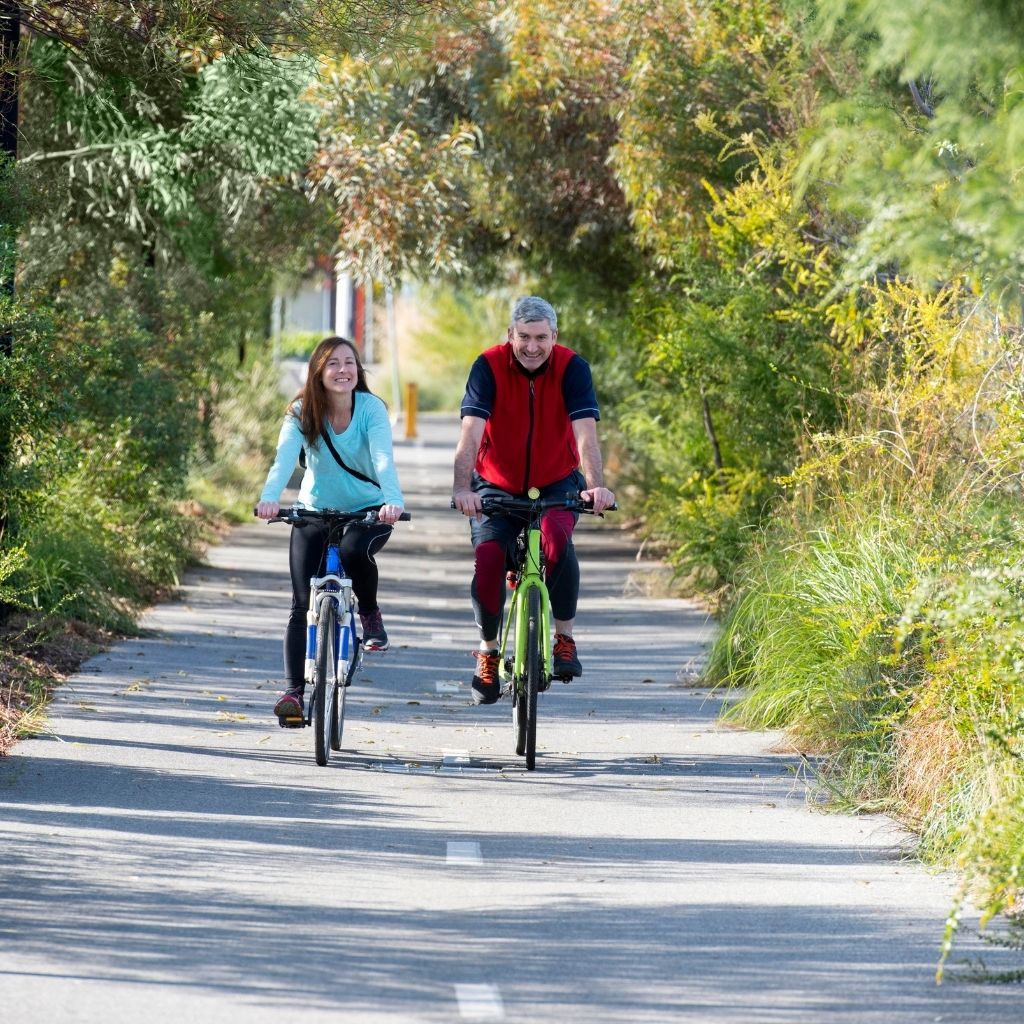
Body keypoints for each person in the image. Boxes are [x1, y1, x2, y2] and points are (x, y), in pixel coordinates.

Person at [452, 296, 615, 705]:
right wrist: (462, 489)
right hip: (494, 486)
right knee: (490, 559)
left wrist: (595, 486)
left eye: (541, 337)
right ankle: (489, 653)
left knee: (557, 546)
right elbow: (471, 434)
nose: (531, 346)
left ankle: (564, 638)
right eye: (523, 336)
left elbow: (585, 436)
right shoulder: (487, 366)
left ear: (554, 337)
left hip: (558, 483)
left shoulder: (572, 367)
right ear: (510, 335)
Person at [256, 336, 404, 720]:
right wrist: (269, 498)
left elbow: (383, 458)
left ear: (358, 369)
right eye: (333, 364)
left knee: (355, 552)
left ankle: (369, 613)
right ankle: (292, 693)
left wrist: (393, 501)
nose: (343, 370)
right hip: (314, 511)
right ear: (318, 373)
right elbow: (284, 460)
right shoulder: (301, 410)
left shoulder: (371, 408)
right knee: (300, 603)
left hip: (369, 511)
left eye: (349, 362)